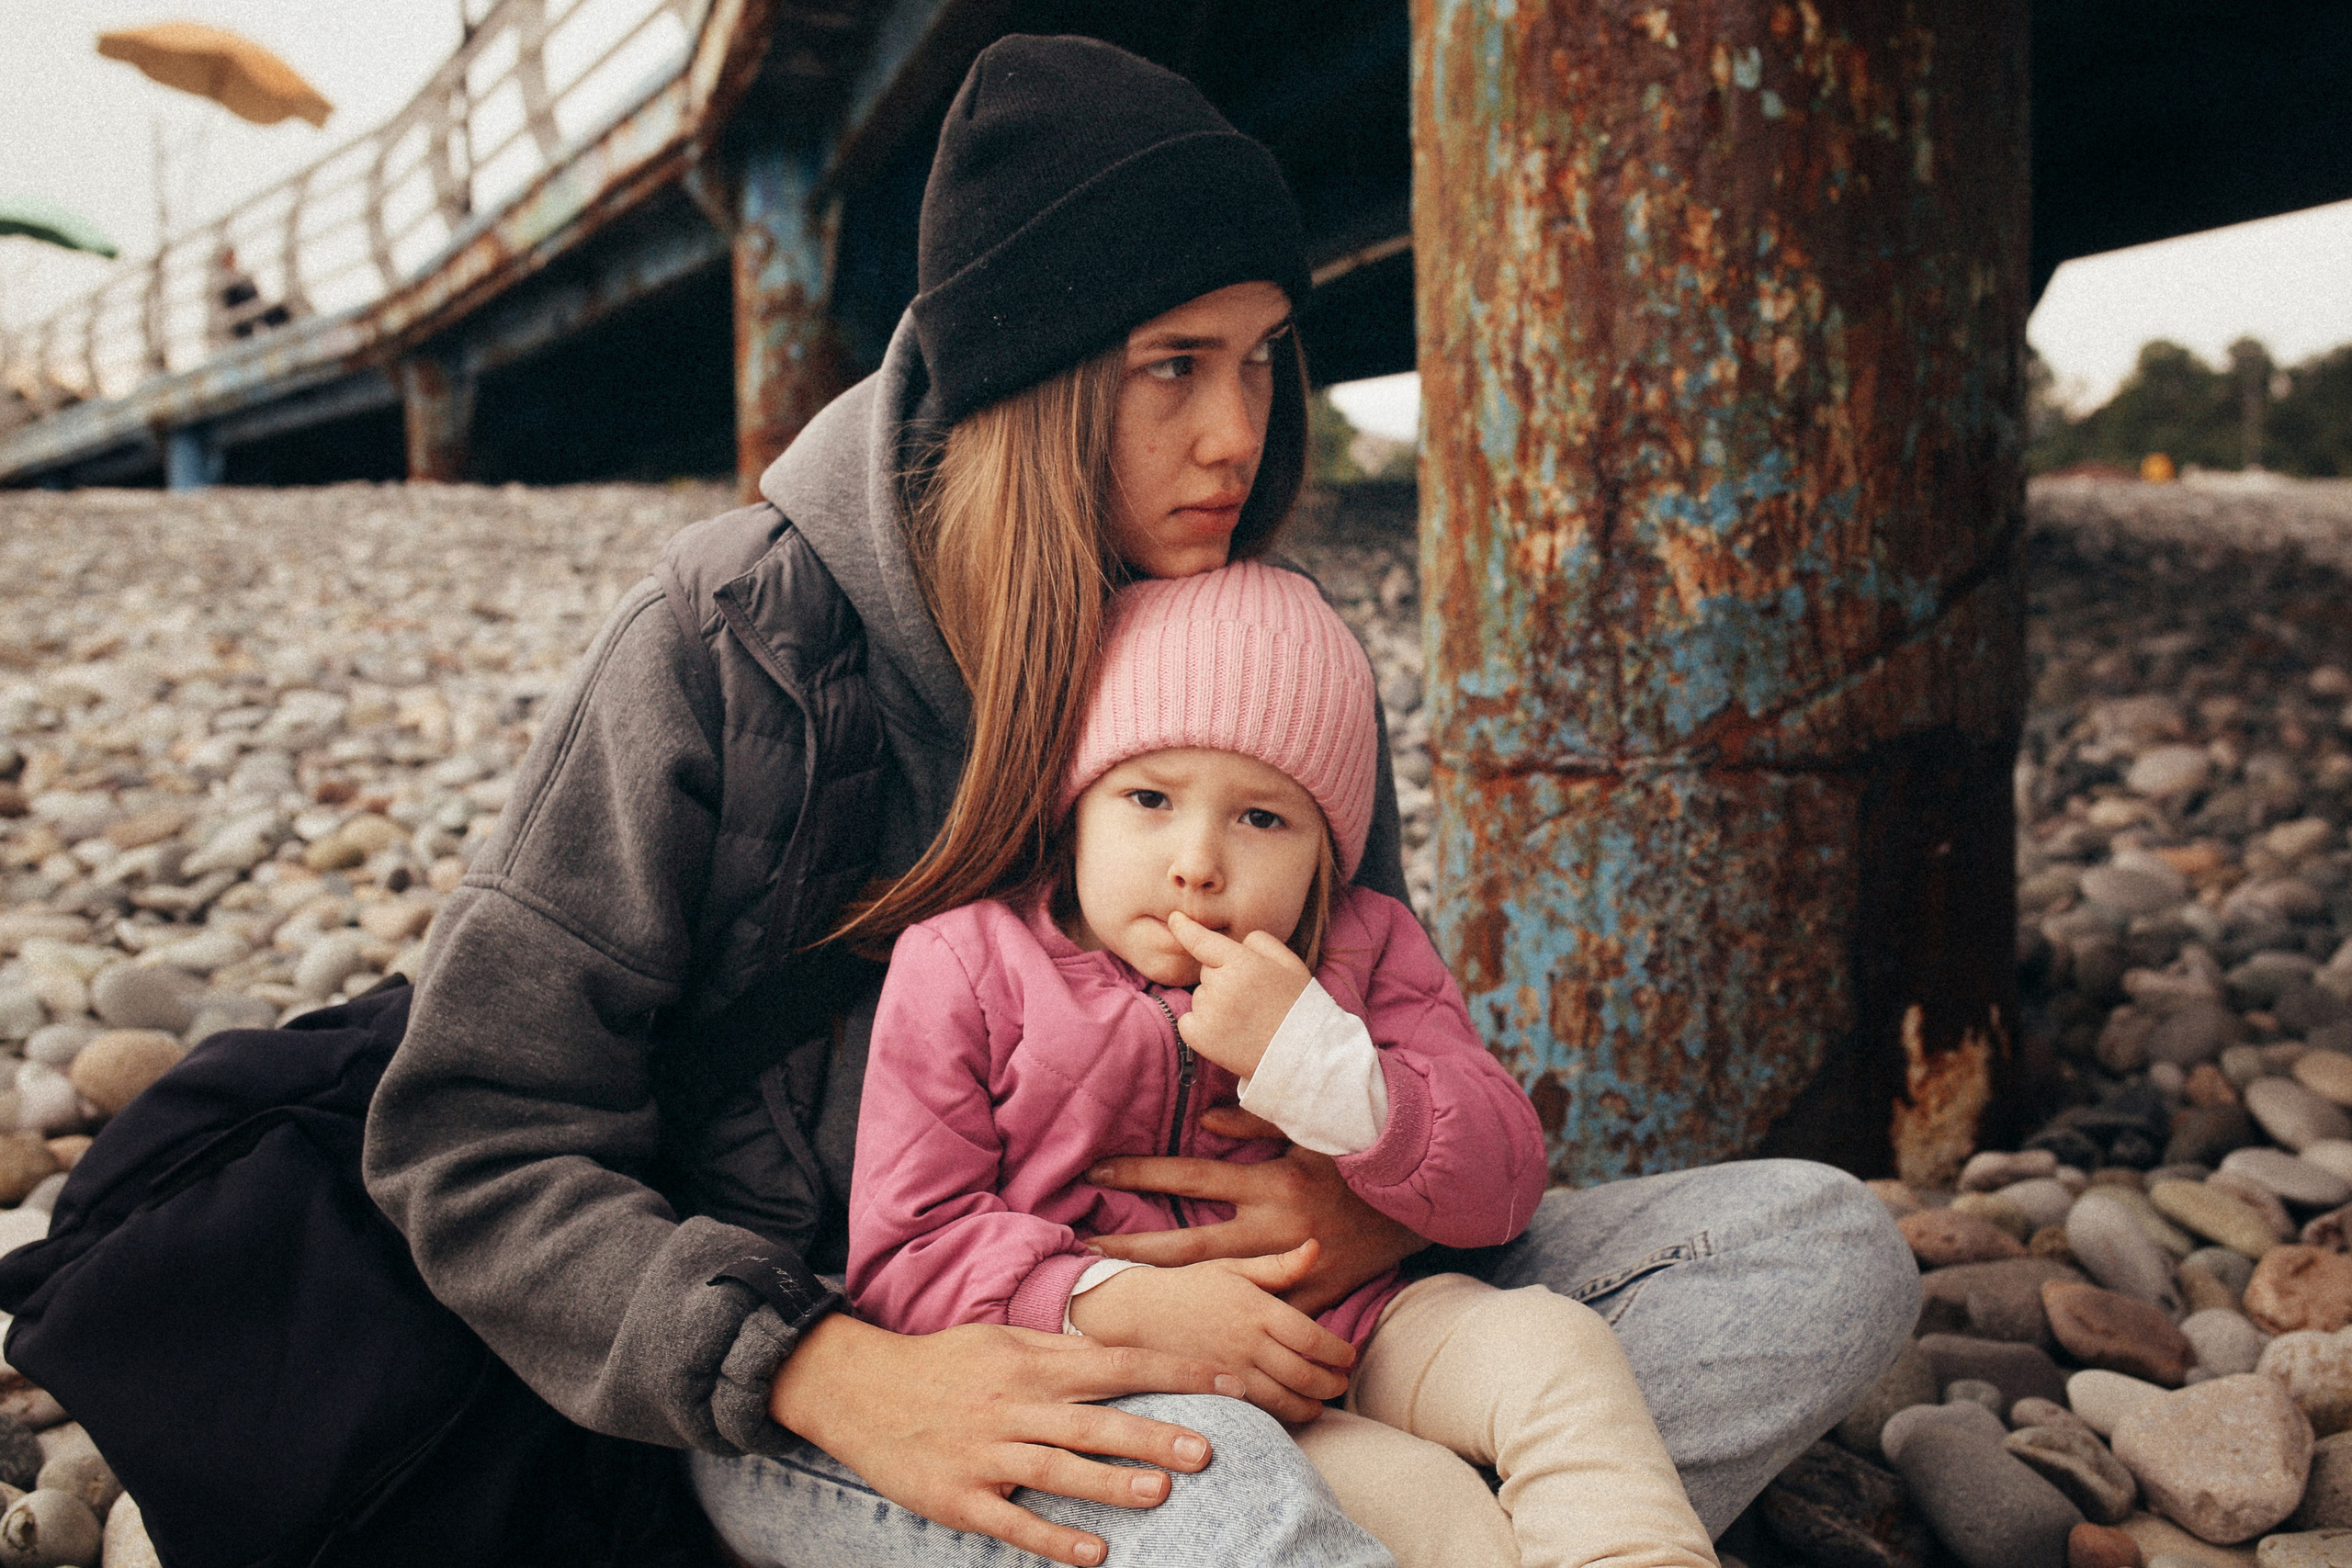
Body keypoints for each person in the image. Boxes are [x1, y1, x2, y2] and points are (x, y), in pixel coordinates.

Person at [363, 31, 1918, 1568]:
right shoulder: (722, 643)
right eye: (1173, 366)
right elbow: (472, 1142)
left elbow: (1383, 1021)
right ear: (1028, 380)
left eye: (1258, 360)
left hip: (1322, 1321)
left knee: (1816, 1252)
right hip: (879, 1375)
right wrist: (838, 1376)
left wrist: (1364, 1209)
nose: (1237, 433)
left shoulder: (1272, 657)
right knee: (1226, 1493)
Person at [847, 558, 1723, 1568]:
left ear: (1324, 851)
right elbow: (904, 1255)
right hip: (1158, 1382)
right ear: (1072, 805)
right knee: (1424, 1505)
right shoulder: (967, 963)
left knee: (1556, 1350)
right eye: (1147, 798)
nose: (1197, 861)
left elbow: (1507, 1181)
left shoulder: (1364, 945)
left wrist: (1314, 1058)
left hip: (1371, 1322)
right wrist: (1109, 1300)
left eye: (1262, 818)